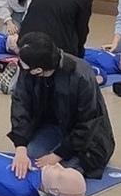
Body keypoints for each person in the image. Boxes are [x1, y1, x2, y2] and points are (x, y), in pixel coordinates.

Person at [8, 31, 115, 180]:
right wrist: (20, 146)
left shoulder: (80, 74)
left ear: (38, 70)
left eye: (22, 63)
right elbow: (20, 104)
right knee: (32, 155)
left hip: (87, 137)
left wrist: (58, 155)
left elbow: (89, 123)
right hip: (53, 126)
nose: (19, 64)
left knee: (61, 173)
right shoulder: (28, 70)